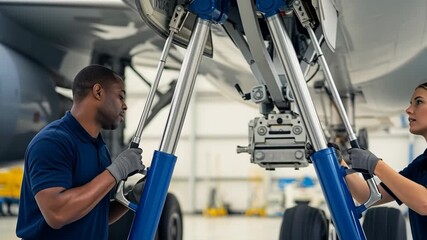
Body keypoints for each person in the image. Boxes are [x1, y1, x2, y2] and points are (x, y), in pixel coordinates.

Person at [16, 65, 145, 240]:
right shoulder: (52, 142)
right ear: (98, 92)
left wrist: (132, 198)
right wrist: (117, 171)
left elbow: (94, 213)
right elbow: (57, 214)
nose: (125, 106)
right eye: (120, 96)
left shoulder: (99, 148)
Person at [343, 82, 427, 240]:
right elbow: (366, 195)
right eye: (410, 103)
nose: (409, 110)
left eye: (419, 102)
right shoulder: (421, 164)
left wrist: (376, 165)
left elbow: (424, 203)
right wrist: (339, 160)